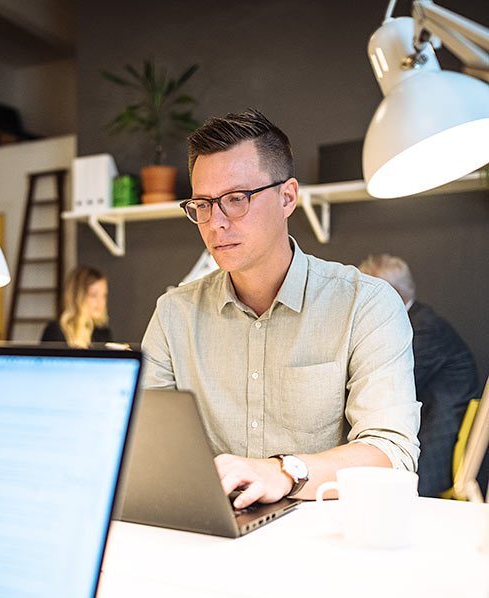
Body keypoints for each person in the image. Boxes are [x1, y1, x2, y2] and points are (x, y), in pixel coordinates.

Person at [142, 110, 419, 507]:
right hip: (214, 533)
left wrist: (284, 470)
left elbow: (393, 454)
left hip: (326, 541)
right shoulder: (174, 315)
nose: (215, 222)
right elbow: (147, 447)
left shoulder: (366, 304)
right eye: (203, 204)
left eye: (236, 199)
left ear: (287, 197)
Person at [359, 253, 479, 497]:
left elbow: (385, 390)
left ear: (391, 294)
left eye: (364, 293)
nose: (357, 302)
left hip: (435, 444)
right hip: (426, 432)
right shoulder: (416, 321)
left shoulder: (423, 330)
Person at [40, 266, 112, 347]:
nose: (100, 302)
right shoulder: (55, 331)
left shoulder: (103, 332)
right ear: (77, 296)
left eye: (104, 295)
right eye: (93, 295)